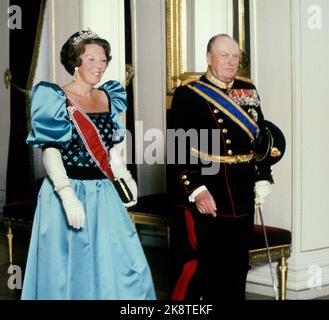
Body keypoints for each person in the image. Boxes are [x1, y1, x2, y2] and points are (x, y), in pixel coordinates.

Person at [21, 30, 156, 300]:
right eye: (91, 59)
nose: (99, 66)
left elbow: (110, 149)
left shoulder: (108, 96)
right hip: (65, 191)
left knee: (124, 262)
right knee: (70, 268)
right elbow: (50, 152)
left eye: (103, 60)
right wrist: (67, 195)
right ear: (75, 62)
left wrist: (123, 175)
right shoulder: (54, 97)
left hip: (103, 192)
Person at [169, 34, 284, 300]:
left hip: (242, 187)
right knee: (208, 266)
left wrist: (263, 176)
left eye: (235, 56)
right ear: (208, 58)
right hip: (210, 188)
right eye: (224, 55)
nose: (231, 62)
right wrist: (196, 189)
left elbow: (261, 140)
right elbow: (178, 147)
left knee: (237, 266)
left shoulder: (247, 90)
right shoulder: (189, 94)